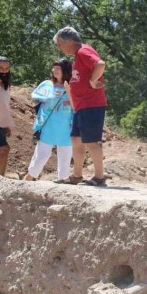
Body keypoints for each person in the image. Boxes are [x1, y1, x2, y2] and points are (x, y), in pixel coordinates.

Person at [53, 26, 108, 187]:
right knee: (76, 139)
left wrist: (92, 81)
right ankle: (77, 175)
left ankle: (99, 177)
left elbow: (100, 64)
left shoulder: (84, 51)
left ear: (69, 40)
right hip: (81, 105)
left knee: (92, 141)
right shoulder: (78, 55)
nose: (59, 48)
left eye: (60, 44)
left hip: (91, 104)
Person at [26, 59, 75, 182]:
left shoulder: (73, 86)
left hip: (67, 128)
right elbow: (35, 97)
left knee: (65, 158)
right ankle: (29, 179)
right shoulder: (46, 84)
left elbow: (76, 106)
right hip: (47, 126)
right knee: (41, 156)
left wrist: (68, 91)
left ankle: (62, 183)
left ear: (66, 71)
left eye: (58, 68)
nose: (55, 71)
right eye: (54, 68)